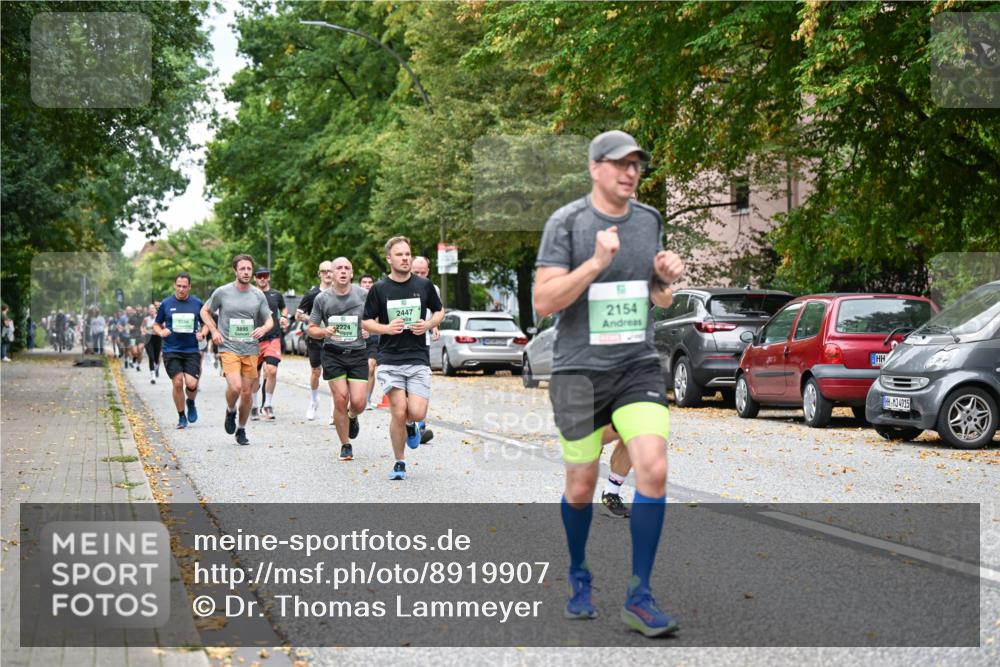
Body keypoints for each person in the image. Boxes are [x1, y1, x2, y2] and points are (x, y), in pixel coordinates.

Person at [533, 130, 685, 636]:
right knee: (580, 488)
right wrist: (595, 262)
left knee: (654, 469)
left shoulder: (649, 221)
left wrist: (665, 278)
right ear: (595, 168)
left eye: (637, 164)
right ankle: (579, 572)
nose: (630, 172)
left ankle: (639, 595)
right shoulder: (567, 223)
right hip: (578, 370)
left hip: (635, 365)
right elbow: (544, 301)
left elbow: (658, 300)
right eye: (620, 163)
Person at [362, 236, 444, 480]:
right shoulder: (379, 289)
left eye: (408, 254)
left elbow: (440, 310)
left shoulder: (424, 285)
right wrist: (386, 329)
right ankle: (399, 461)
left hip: (418, 357)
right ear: (389, 259)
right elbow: (366, 321)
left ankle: (412, 425)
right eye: (400, 254)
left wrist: (428, 324)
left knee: (416, 413)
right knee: (398, 410)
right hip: (389, 358)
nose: (405, 258)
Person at [200, 254, 274, 446]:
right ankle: (230, 409)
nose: (246, 272)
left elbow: (269, 320)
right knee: (235, 387)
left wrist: (264, 328)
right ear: (235, 271)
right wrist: (214, 331)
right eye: (242, 269)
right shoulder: (222, 292)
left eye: (249, 269)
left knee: (248, 393)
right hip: (229, 346)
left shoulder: (258, 295)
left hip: (250, 348)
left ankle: (241, 429)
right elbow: (204, 311)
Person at [307, 257, 369, 461]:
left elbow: (375, 320)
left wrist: (369, 329)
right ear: (331, 274)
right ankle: (345, 444)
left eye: (347, 268)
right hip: (333, 353)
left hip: (358, 352)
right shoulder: (322, 299)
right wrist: (324, 331)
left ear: (352, 273)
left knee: (359, 402)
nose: (343, 271)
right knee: (341, 398)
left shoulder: (363, 295)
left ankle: (352, 417)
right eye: (338, 268)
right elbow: (312, 328)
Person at [154, 273, 205, 429]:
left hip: (191, 349)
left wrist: (203, 333)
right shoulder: (166, 303)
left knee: (192, 383)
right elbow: (156, 324)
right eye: (179, 286)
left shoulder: (197, 303)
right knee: (177, 382)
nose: (181, 289)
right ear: (174, 286)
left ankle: (190, 402)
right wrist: (161, 332)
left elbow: (207, 322)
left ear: (189, 287)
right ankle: (181, 416)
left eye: (184, 286)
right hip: (171, 349)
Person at [295, 261, 335, 421]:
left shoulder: (338, 292)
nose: (327, 274)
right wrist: (314, 320)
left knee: (333, 373)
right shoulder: (312, 294)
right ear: (319, 274)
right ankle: (313, 400)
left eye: (330, 271)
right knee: (316, 372)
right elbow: (298, 314)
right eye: (324, 271)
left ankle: (335, 409)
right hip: (315, 337)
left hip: (333, 338)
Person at [250, 267, 289, 421]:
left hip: (273, 338)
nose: (262, 279)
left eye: (265, 276)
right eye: (259, 276)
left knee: (271, 371)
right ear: (255, 278)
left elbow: (283, 307)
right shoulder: (249, 294)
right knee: (253, 375)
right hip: (253, 340)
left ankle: (267, 404)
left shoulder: (276, 294)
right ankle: (254, 405)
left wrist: (284, 317)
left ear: (269, 278)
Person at [409, 256, 439, 445]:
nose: (420, 275)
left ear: (428, 271)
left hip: (422, 342)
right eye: (416, 272)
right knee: (404, 388)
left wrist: (433, 325)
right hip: (398, 342)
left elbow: (437, 311)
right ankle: (409, 422)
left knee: (422, 381)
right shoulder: (399, 285)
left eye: (423, 272)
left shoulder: (431, 288)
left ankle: (421, 425)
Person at [359, 274, 380, 410]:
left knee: (371, 367)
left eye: (370, 282)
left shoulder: (378, 298)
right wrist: (360, 329)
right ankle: (356, 397)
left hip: (373, 338)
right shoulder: (353, 299)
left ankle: (367, 399)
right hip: (357, 340)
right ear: (360, 284)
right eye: (364, 282)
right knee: (358, 370)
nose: (367, 284)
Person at [142, 304, 162, 383]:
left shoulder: (159, 318)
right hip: (148, 339)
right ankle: (153, 376)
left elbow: (164, 326)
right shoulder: (146, 319)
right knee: (151, 357)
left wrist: (158, 329)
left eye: (152, 309)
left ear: (155, 310)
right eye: (150, 309)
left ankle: (156, 367)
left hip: (157, 338)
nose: (151, 310)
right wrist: (143, 331)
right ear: (148, 311)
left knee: (157, 357)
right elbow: (142, 326)